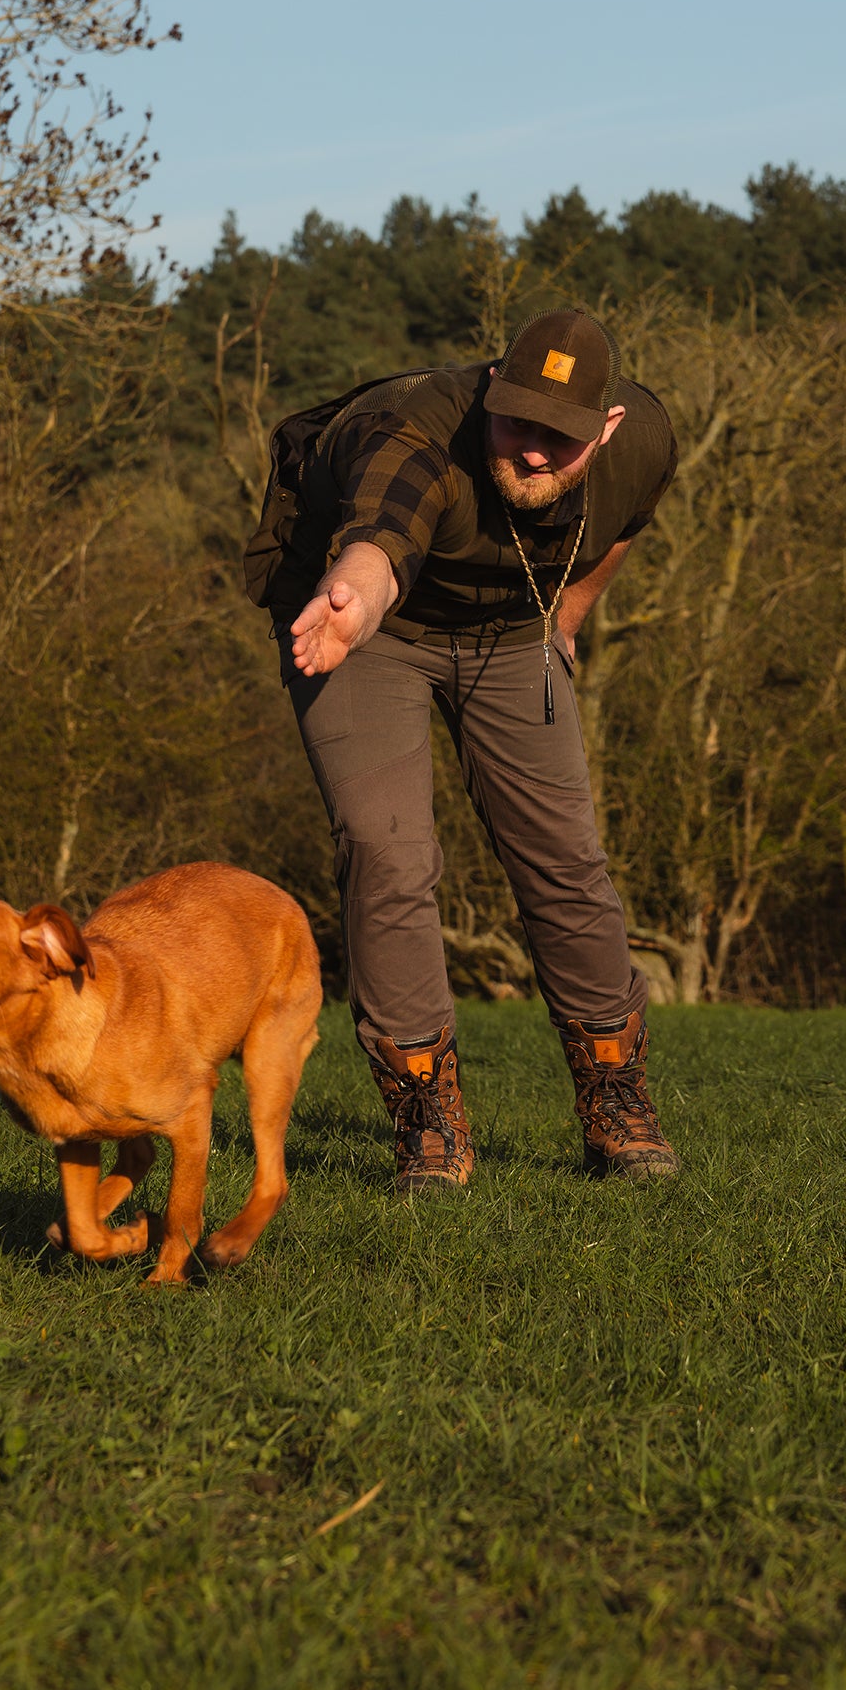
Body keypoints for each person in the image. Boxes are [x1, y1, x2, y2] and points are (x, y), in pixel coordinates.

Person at [243, 307, 680, 1193]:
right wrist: (354, 599)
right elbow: (383, 533)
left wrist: (566, 622)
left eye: (562, 439)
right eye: (518, 422)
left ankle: (616, 1103)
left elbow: (624, 524)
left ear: (608, 427)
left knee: (563, 857)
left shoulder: (645, 443)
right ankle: (427, 1124)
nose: (531, 452)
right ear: (492, 392)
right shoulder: (411, 436)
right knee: (388, 851)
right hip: (366, 629)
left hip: (513, 628)